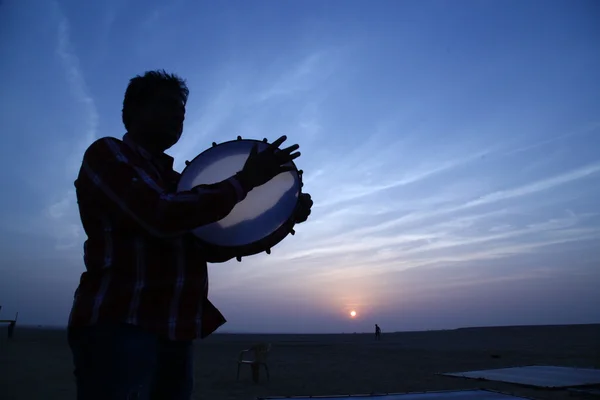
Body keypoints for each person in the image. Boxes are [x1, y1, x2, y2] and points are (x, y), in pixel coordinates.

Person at [67, 70, 313, 400]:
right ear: (133, 110)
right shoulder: (107, 154)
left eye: (181, 112)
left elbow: (210, 244)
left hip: (174, 328)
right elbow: (161, 214)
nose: (177, 117)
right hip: (120, 321)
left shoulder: (178, 180)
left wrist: (284, 216)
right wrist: (245, 181)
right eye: (168, 106)